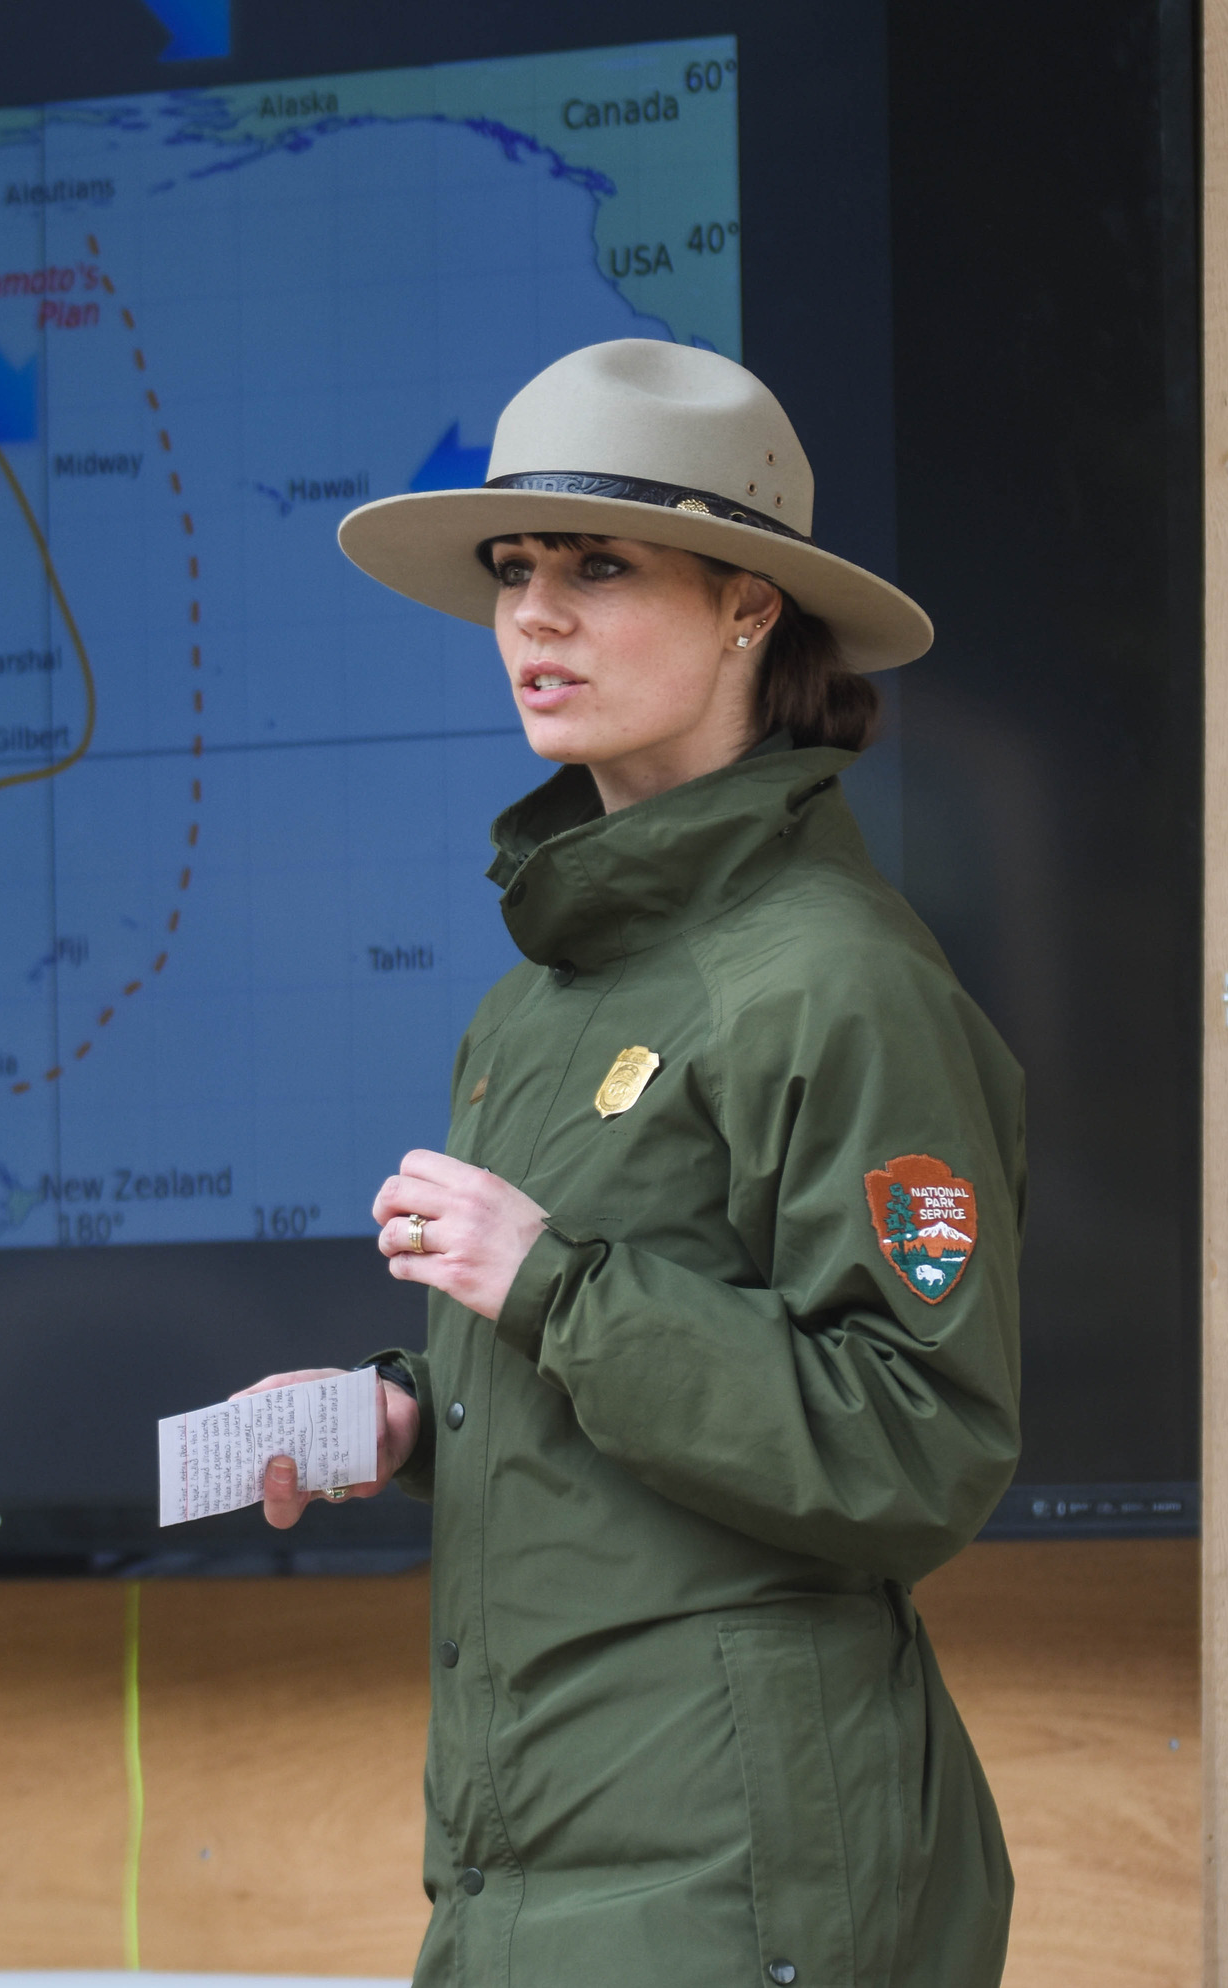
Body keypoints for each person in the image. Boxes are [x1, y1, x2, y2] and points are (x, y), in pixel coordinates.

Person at [237, 339, 1022, 1986]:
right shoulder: (540, 997)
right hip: (530, 1854)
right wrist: (408, 1404)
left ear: (751, 606)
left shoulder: (838, 978)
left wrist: (556, 1287)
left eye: (602, 566)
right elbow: (616, 1386)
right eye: (516, 570)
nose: (533, 615)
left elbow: (916, 1448)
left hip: (744, 1875)